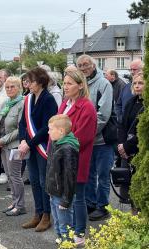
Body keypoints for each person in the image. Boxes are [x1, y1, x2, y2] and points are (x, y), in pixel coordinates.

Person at [58, 70, 97, 246]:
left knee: (78, 198)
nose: (65, 87)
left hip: (76, 159)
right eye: (64, 83)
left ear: (80, 85)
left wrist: (60, 147)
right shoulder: (65, 103)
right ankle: (67, 230)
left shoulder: (87, 107)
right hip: (60, 158)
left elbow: (82, 138)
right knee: (66, 197)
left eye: (69, 83)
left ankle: (79, 233)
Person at [18, 67, 58, 232]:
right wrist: (22, 140)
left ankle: (47, 216)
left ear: (40, 82)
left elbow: (46, 127)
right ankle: (38, 213)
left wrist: (29, 143)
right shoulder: (28, 99)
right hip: (30, 146)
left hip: (42, 146)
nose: (28, 84)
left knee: (43, 182)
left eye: (31, 81)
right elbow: (22, 123)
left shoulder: (48, 99)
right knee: (34, 181)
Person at [76, 55, 114, 221]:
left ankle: (102, 206)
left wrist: (87, 133)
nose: (84, 68)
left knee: (103, 175)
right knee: (89, 173)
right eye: (80, 66)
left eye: (86, 65)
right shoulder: (82, 84)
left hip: (102, 139)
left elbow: (103, 115)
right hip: (87, 140)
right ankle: (90, 203)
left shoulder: (104, 84)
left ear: (93, 65)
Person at [0, 76, 26, 216]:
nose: (9, 89)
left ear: (19, 88)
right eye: (7, 87)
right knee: (8, 175)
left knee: (15, 176)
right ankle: (14, 202)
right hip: (3, 145)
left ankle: (20, 205)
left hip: (14, 145)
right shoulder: (6, 103)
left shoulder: (22, 103)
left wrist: (4, 140)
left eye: (12, 86)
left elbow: (21, 129)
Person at [46, 114, 79, 243]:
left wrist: (66, 200)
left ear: (61, 131)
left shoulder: (68, 148)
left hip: (62, 195)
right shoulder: (56, 144)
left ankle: (67, 243)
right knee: (58, 222)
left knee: (65, 225)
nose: (48, 132)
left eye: (50, 129)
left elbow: (69, 177)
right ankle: (61, 239)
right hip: (54, 192)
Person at [117, 72, 145, 208]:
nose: (137, 86)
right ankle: (133, 220)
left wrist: (127, 146)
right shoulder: (131, 102)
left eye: (141, 83)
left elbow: (144, 131)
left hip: (141, 152)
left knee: (142, 191)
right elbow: (122, 126)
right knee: (130, 192)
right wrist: (121, 145)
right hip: (127, 153)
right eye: (135, 83)